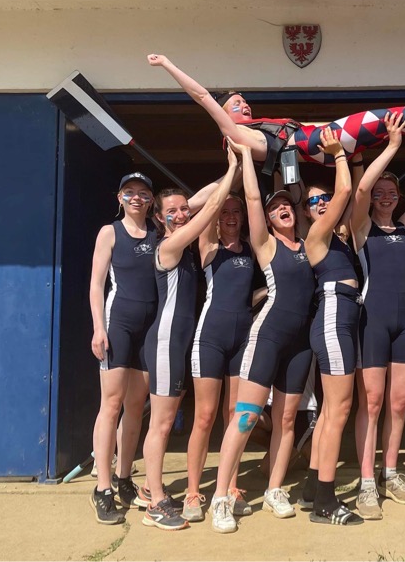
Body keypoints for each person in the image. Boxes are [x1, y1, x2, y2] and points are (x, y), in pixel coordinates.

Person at [208, 138, 317, 534]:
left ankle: (274, 489)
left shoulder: (310, 243)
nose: (282, 209)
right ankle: (222, 496)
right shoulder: (266, 245)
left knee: (288, 419)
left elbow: (303, 195)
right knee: (247, 416)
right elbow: (253, 198)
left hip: (301, 342)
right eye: (275, 208)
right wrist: (244, 159)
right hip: (268, 336)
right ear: (268, 219)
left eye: (287, 204)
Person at [146, 54, 405, 166]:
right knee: (390, 113)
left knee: (393, 120)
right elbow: (203, 97)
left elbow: (307, 125)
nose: (244, 105)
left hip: (323, 141)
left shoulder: (260, 127)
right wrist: (168, 65)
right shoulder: (235, 134)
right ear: (226, 114)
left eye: (244, 100)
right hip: (318, 145)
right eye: (235, 104)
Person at [141, 149, 239, 531]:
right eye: (172, 211)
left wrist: (236, 164)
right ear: (158, 218)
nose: (181, 214)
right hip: (165, 342)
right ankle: (156, 501)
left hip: (181, 343)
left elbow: (204, 198)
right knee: (162, 425)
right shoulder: (169, 245)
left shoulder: (179, 228)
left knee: (164, 422)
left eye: (185, 209)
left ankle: (153, 491)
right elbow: (209, 206)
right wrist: (231, 172)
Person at [350, 113, 405, 520]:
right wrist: (394, 146)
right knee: (372, 401)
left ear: (398, 197)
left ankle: (390, 471)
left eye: (391, 192)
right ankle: (367, 483)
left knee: (398, 404)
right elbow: (362, 187)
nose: (384, 196)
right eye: (380, 192)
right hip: (373, 322)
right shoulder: (361, 228)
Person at [296, 128, 364, 525]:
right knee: (339, 410)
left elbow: (354, 198)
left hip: (340, 317)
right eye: (313, 202)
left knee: (328, 411)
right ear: (308, 212)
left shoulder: (338, 238)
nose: (321, 204)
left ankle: (311, 488)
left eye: (323, 199)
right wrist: (339, 153)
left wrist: (354, 160)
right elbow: (344, 196)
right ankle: (325, 501)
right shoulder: (316, 236)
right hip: (335, 315)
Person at [182, 190, 259, 522]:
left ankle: (229, 486)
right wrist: (232, 172)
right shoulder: (208, 247)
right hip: (210, 339)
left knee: (236, 416)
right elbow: (197, 206)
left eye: (236, 212)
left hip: (242, 340)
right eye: (225, 212)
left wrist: (271, 294)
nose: (230, 216)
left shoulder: (251, 251)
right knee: (205, 416)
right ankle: (192, 491)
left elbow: (247, 294)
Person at [89, 172, 157, 525]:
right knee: (111, 405)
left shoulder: (160, 233)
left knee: (135, 406)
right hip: (118, 327)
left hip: (149, 331)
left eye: (143, 193)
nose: (135, 198)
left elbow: (190, 204)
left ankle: (124, 476)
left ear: (150, 200)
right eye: (129, 192)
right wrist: (99, 328)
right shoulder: (109, 232)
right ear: (119, 198)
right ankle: (102, 488)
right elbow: (96, 284)